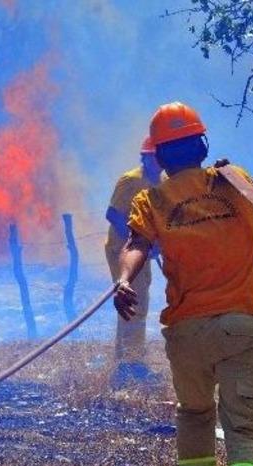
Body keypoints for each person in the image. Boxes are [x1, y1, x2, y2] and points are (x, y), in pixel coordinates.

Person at [113, 101, 253, 466]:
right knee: (244, 428)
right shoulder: (234, 180)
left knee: (194, 415)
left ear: (159, 157)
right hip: (240, 325)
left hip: (187, 333)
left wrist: (123, 280)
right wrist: (233, 188)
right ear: (202, 146)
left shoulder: (151, 200)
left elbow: (136, 244)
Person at [105, 135, 163, 387]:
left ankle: (126, 362)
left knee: (138, 300)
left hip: (143, 250)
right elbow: (113, 215)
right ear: (146, 157)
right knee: (134, 301)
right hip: (124, 250)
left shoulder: (161, 181)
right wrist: (138, 239)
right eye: (154, 156)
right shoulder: (130, 181)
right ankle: (132, 364)